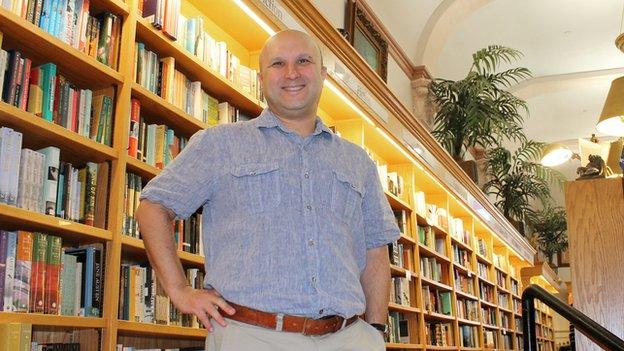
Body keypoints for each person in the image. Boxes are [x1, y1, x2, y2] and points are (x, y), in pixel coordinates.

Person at [135, 29, 400, 351]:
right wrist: (178, 290)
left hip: (351, 338)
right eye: (278, 64)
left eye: (303, 61)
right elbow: (153, 206)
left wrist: (375, 329)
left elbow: (375, 250)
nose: (291, 73)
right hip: (251, 336)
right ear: (261, 79)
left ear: (323, 74)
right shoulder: (219, 144)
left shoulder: (359, 162)